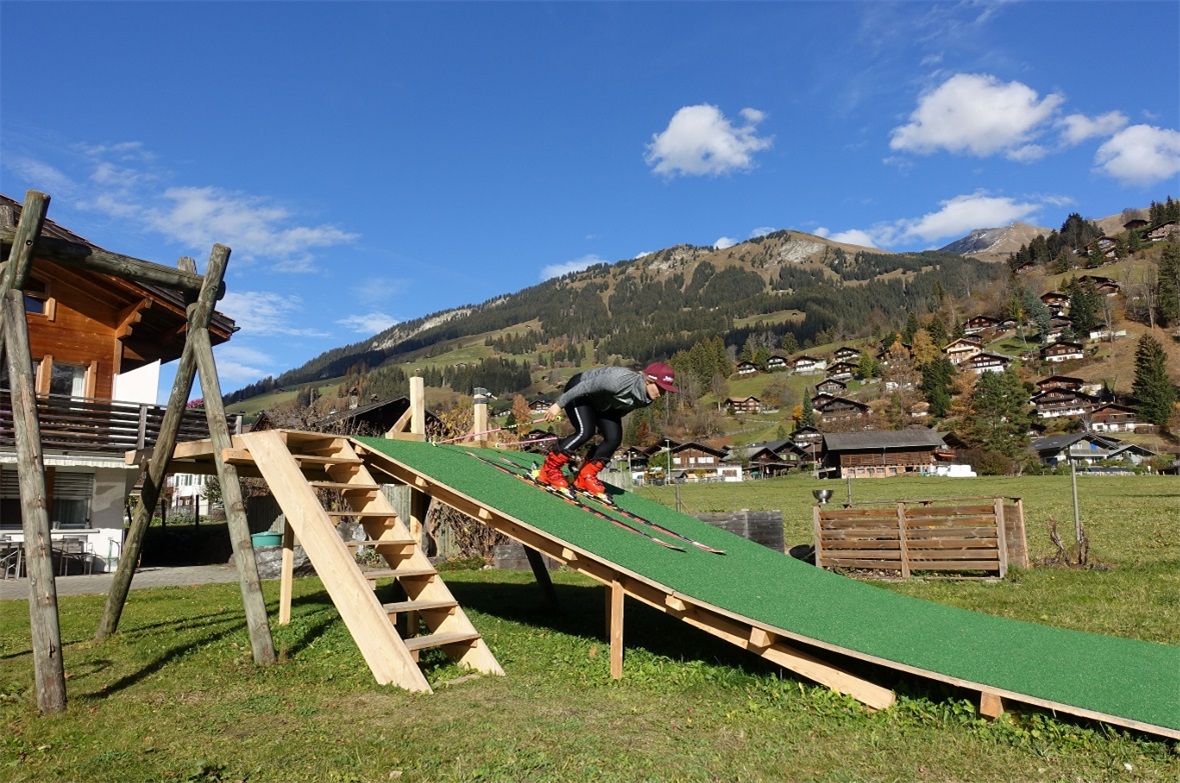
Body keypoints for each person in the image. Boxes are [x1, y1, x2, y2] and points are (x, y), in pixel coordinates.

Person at [537, 362, 679, 496]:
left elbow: (622, 410)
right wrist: (558, 405)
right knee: (585, 431)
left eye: (666, 390)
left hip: (603, 405)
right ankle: (549, 470)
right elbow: (584, 387)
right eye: (660, 388)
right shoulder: (618, 380)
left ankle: (585, 476)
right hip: (580, 392)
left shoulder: (646, 399)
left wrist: (605, 426)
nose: (662, 393)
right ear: (648, 380)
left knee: (613, 438)